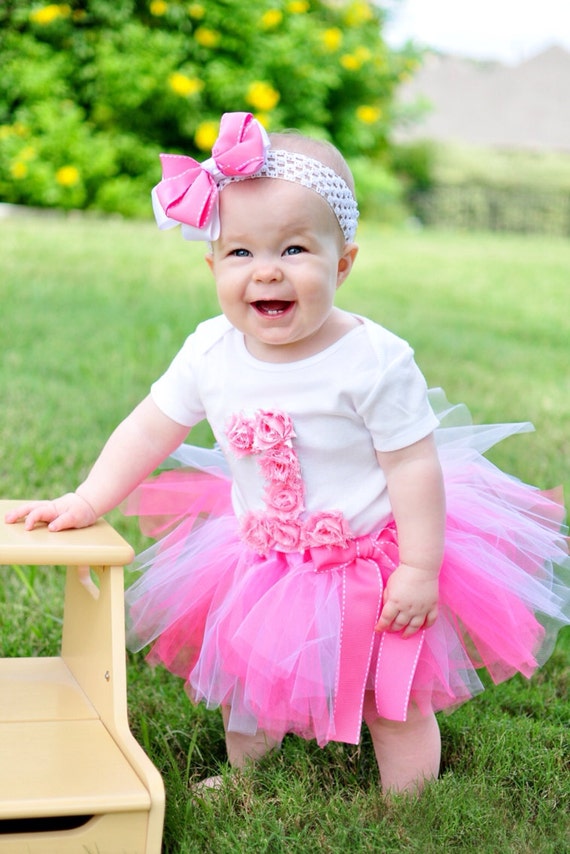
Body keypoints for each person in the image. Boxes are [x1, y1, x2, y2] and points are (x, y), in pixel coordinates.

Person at [6, 112, 569, 796]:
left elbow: (413, 466)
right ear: (212, 263)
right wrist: (87, 499)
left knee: (392, 700)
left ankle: (409, 805)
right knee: (252, 682)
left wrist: (419, 568)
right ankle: (247, 776)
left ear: (345, 263)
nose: (266, 272)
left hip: (372, 554)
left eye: (295, 250)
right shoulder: (210, 350)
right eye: (241, 253)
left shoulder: (371, 360)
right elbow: (149, 428)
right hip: (262, 559)